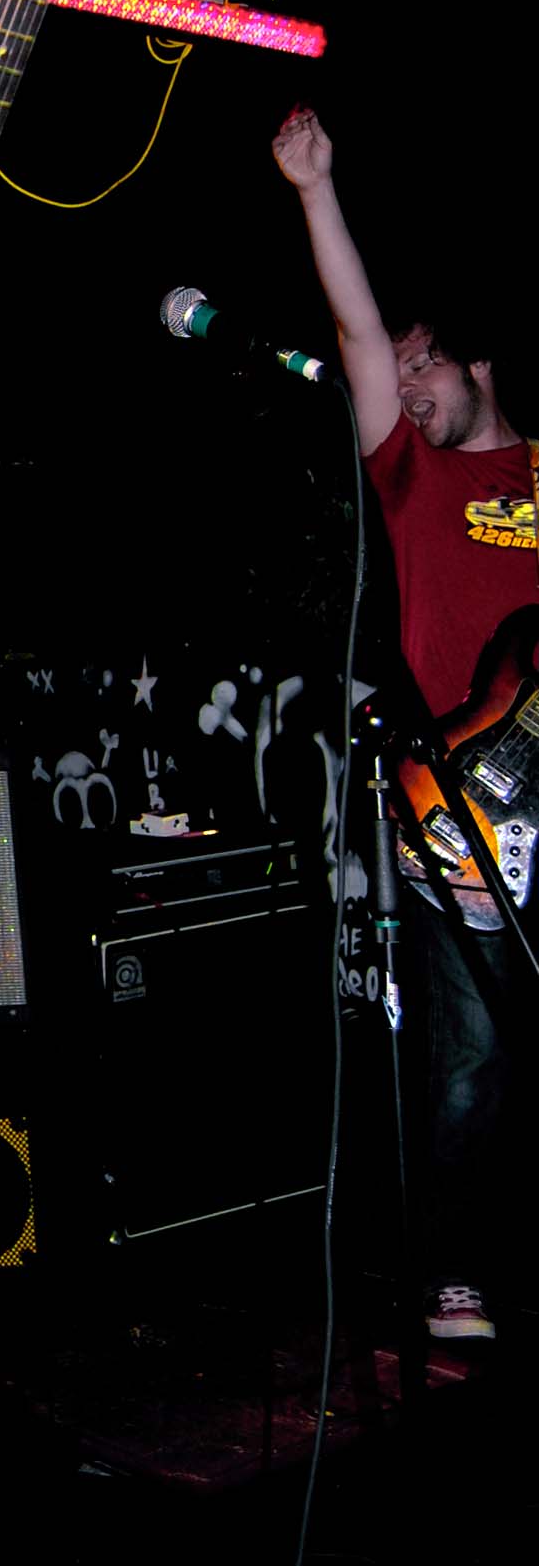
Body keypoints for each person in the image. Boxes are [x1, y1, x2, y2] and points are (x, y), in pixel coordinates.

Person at [273, 104, 536, 1343]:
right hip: (459, 803)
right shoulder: (413, 475)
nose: (409, 389)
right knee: (468, 1054)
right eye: (404, 372)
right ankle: (454, 1274)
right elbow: (356, 337)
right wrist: (315, 191)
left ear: (479, 366)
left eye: (427, 367)